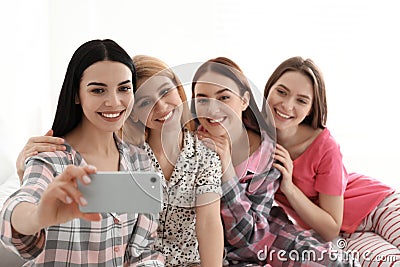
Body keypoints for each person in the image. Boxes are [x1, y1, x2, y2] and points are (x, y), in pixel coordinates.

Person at [1, 39, 164, 266]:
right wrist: (38, 216)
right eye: (98, 90)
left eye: (124, 88)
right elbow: (18, 208)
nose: (114, 101)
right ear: (76, 95)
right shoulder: (50, 156)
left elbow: (144, 249)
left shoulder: (140, 161)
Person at [191, 57, 357, 266]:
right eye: (203, 99)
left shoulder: (271, 154)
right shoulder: (189, 142)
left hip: (356, 207)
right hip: (229, 248)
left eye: (224, 97)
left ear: (244, 100)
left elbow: (249, 237)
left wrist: (228, 171)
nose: (213, 108)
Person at [263, 56, 400, 266]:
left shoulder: (325, 146)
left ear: (311, 108)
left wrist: (289, 188)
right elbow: (328, 232)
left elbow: (331, 224)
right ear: (268, 89)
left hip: (379, 207)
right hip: (341, 235)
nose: (287, 105)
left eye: (301, 100)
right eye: (281, 92)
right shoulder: (253, 137)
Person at [123, 55, 224, 266]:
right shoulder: (126, 157)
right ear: (133, 113)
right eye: (146, 102)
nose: (161, 106)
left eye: (165, 92)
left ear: (179, 91)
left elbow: (209, 222)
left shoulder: (205, 155)